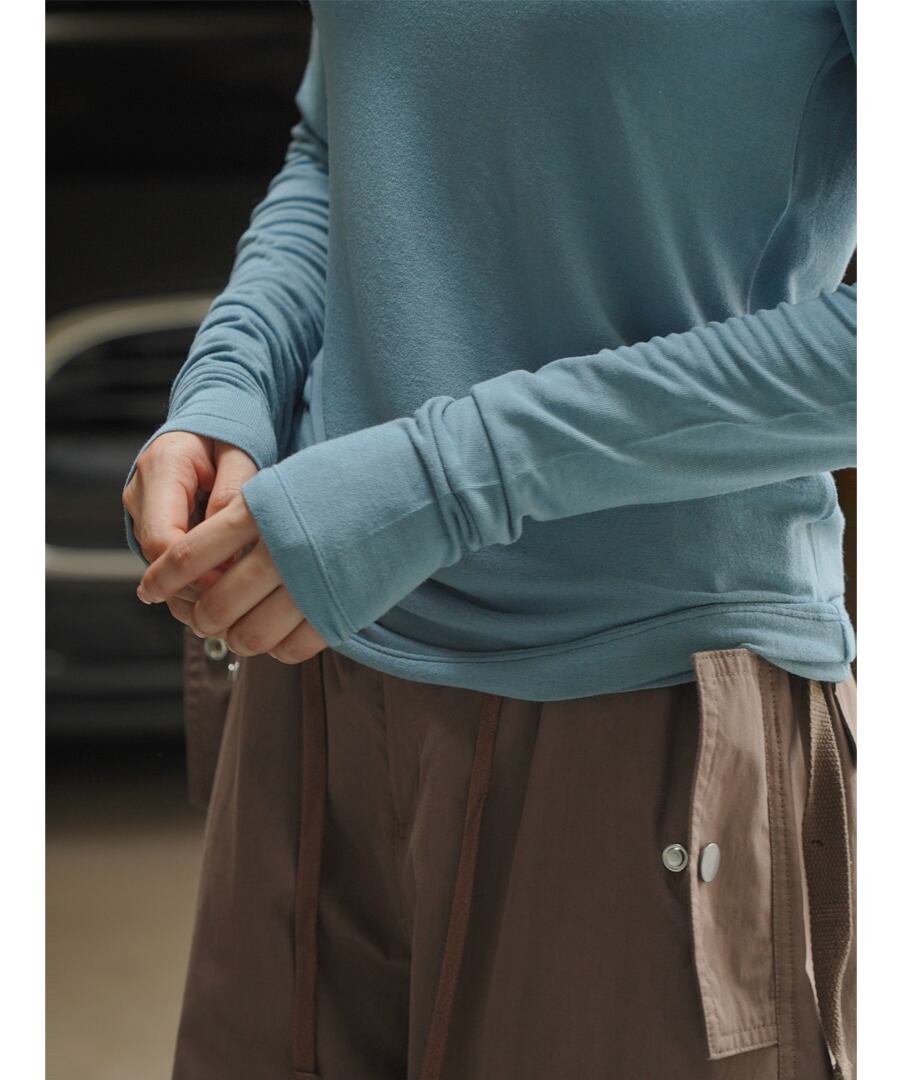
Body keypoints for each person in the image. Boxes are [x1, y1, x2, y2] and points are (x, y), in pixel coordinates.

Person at [122, 2, 857, 1078]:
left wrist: (442, 481)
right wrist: (233, 378)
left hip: (636, 704)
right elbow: (343, 143)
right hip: (314, 671)